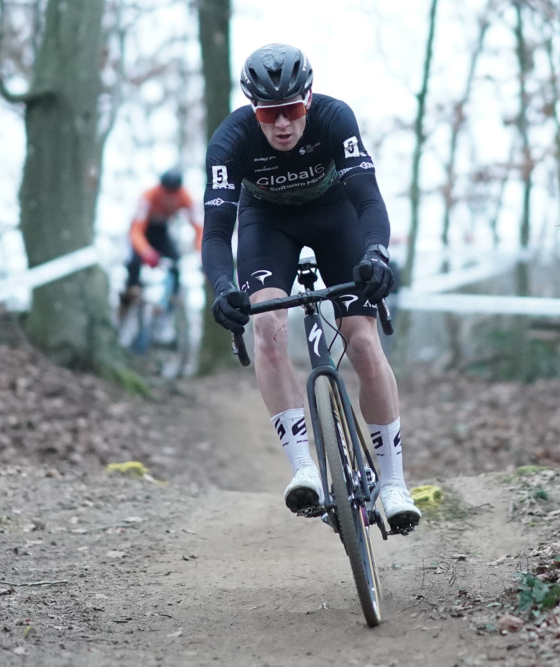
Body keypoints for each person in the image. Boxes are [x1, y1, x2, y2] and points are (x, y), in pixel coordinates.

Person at [200, 43, 421, 532]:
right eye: (269, 114)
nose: (282, 124)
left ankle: (393, 484)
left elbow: (368, 200)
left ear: (309, 99)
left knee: (362, 340)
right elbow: (216, 231)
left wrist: (375, 254)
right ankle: (305, 468)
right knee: (268, 330)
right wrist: (221, 286)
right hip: (266, 225)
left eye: (293, 110)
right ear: (252, 112)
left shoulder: (335, 119)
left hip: (334, 218)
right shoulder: (230, 141)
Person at [120, 168, 203, 309]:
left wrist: (202, 255)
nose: (169, 199)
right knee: (134, 262)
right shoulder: (149, 197)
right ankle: (130, 292)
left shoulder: (185, 198)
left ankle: (171, 299)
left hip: (161, 231)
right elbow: (136, 230)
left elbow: (199, 228)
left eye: (173, 194)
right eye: (166, 193)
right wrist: (146, 251)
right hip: (143, 231)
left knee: (175, 261)